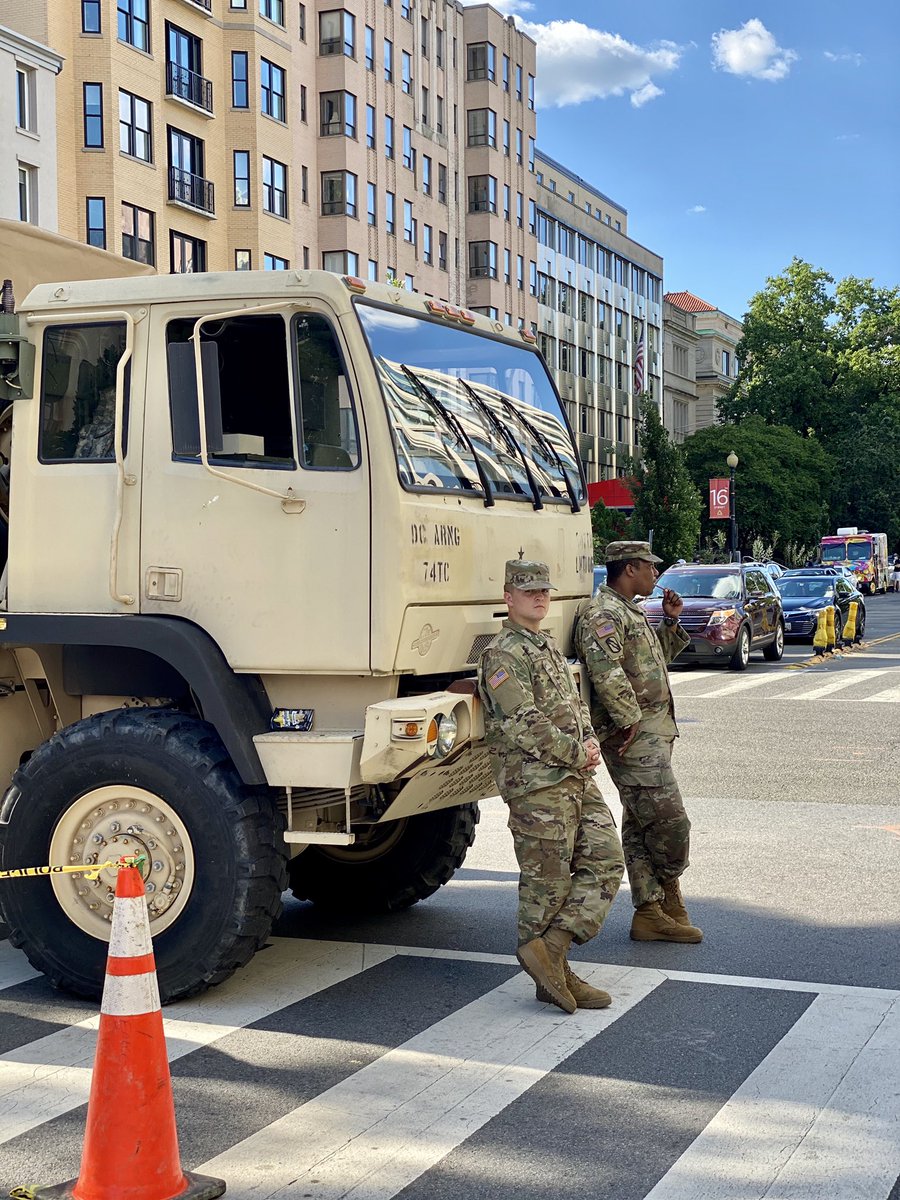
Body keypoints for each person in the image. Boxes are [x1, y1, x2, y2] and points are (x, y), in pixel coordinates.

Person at [477, 558, 625, 1014]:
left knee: (606, 859)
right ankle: (549, 974)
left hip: (574, 774)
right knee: (547, 883)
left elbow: (572, 705)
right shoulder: (502, 654)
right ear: (508, 597)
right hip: (537, 783)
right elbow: (523, 723)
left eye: (544, 591)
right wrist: (576, 751)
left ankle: (553, 952)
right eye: (528, 592)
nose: (539, 598)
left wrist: (589, 741)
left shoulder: (544, 644)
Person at [574, 541, 703, 944]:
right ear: (630, 568)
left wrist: (669, 623)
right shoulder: (603, 614)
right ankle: (667, 889)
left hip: (654, 729)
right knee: (669, 820)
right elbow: (604, 670)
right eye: (650, 566)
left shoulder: (629, 610)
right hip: (634, 734)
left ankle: (653, 910)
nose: (655, 574)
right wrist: (628, 720)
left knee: (640, 820)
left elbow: (650, 665)